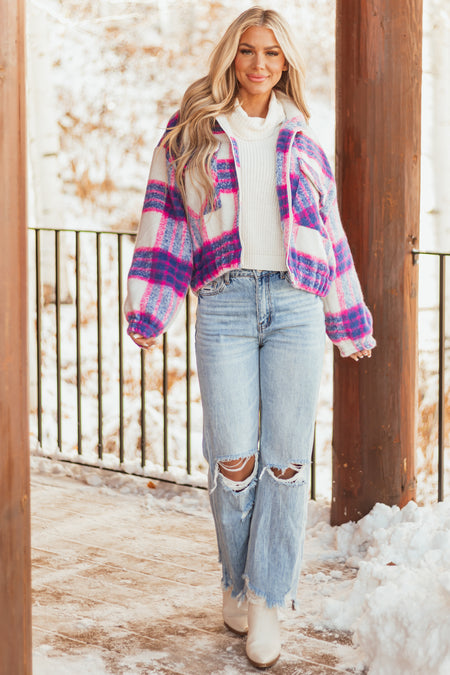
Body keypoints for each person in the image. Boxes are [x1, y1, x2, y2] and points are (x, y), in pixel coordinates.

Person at [125, 5, 375, 669]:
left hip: (295, 304)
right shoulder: (192, 131)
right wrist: (150, 310)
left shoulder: (303, 139)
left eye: (271, 53)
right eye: (247, 51)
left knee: (286, 460)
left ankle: (268, 596)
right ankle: (235, 580)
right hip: (226, 303)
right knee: (234, 457)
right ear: (231, 58)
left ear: (285, 62)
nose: (259, 64)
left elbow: (331, 233)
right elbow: (165, 221)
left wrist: (348, 320)